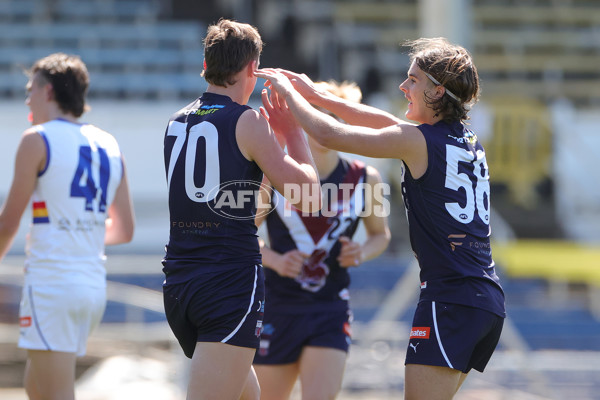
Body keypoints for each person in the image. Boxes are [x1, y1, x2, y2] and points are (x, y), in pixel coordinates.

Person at [255, 37, 506, 400]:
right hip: (483, 300)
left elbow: (328, 132)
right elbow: (384, 123)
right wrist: (318, 97)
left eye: (413, 80)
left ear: (437, 92)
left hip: (449, 299)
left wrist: (290, 100)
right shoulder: (466, 140)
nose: (403, 86)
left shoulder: (416, 142)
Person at [161, 19, 320, 400]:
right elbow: (309, 196)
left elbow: (230, 201)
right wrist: (292, 131)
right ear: (253, 68)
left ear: (206, 65)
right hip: (228, 283)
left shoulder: (175, 121)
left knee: (248, 391)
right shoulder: (246, 121)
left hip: (180, 282)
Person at [0, 53, 135, 400]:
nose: (27, 98)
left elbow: (9, 222)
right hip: (90, 290)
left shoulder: (36, 139)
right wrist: (76, 228)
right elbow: (124, 230)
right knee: (35, 386)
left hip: (52, 286)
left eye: (31, 89)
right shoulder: (110, 143)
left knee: (56, 393)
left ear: (48, 92)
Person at [252, 80, 391, 400]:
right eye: (319, 114)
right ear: (304, 119)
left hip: (331, 309)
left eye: (335, 116)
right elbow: (244, 236)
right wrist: (276, 260)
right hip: (277, 307)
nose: (328, 123)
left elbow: (380, 236)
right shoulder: (276, 172)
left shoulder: (367, 178)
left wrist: (361, 252)